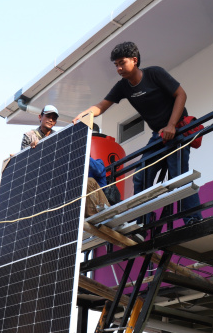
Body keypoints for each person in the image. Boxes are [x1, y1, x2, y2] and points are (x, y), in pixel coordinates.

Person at [76, 41, 202, 225]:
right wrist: (83, 116)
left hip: (178, 130)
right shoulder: (123, 87)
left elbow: (181, 95)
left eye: (122, 63)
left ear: (134, 60)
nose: (118, 68)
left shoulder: (155, 74)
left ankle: (193, 219)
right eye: (116, 65)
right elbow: (101, 106)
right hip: (158, 136)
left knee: (178, 175)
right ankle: (142, 222)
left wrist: (172, 125)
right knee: (141, 176)